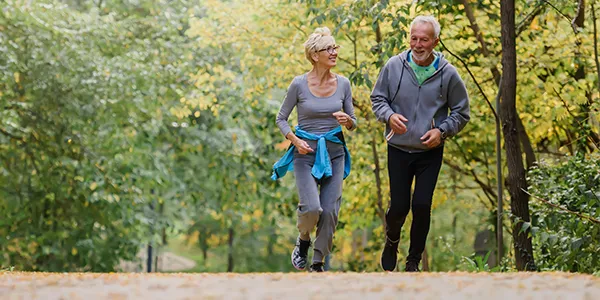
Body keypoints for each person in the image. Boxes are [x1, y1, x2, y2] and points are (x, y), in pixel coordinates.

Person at [370, 15, 470, 272]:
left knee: (422, 204)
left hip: (429, 150)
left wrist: (442, 131)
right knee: (400, 206)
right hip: (399, 148)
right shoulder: (394, 66)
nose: (417, 44)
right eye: (413, 38)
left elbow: (461, 112)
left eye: (424, 39)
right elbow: (377, 99)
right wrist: (390, 116)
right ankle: (392, 241)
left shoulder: (448, 74)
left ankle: (413, 259)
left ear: (435, 41)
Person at [271, 27, 357, 272]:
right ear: (314, 55)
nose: (334, 52)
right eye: (329, 48)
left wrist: (348, 121)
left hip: (334, 153)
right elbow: (281, 118)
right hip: (305, 154)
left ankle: (317, 263)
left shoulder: (343, 84)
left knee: (329, 211)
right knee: (312, 208)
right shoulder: (299, 84)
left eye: (335, 48)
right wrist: (294, 141)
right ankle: (304, 240)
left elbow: (353, 122)